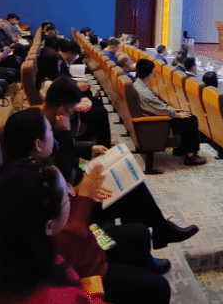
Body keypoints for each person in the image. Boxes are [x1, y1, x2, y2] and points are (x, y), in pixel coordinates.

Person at [0, 109, 171, 304]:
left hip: (90, 242)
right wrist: (84, 196)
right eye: (50, 130)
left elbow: (71, 173)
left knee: (139, 233)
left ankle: (146, 264)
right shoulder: (30, 187)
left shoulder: (36, 167)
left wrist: (82, 187)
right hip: (89, 268)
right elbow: (73, 238)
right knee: (158, 287)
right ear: (38, 143)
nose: (54, 133)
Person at [41, 76, 200, 248]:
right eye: (72, 113)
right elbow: (60, 170)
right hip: (73, 201)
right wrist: (65, 134)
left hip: (77, 183)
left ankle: (157, 234)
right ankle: (156, 234)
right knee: (131, 195)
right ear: (62, 110)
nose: (72, 116)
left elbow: (61, 152)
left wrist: (89, 149)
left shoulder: (46, 121)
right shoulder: (41, 133)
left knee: (130, 177)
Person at [0, 157, 110, 304]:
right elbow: (83, 254)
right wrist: (93, 280)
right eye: (67, 195)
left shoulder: (7, 239)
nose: (71, 192)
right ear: (49, 226)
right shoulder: (55, 296)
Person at [132, 59, 205, 166]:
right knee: (191, 119)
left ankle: (180, 149)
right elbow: (158, 109)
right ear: (150, 74)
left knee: (185, 115)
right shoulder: (143, 91)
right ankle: (190, 156)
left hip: (153, 116)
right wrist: (176, 114)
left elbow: (155, 106)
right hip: (155, 122)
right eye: (153, 71)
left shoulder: (137, 84)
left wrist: (170, 109)